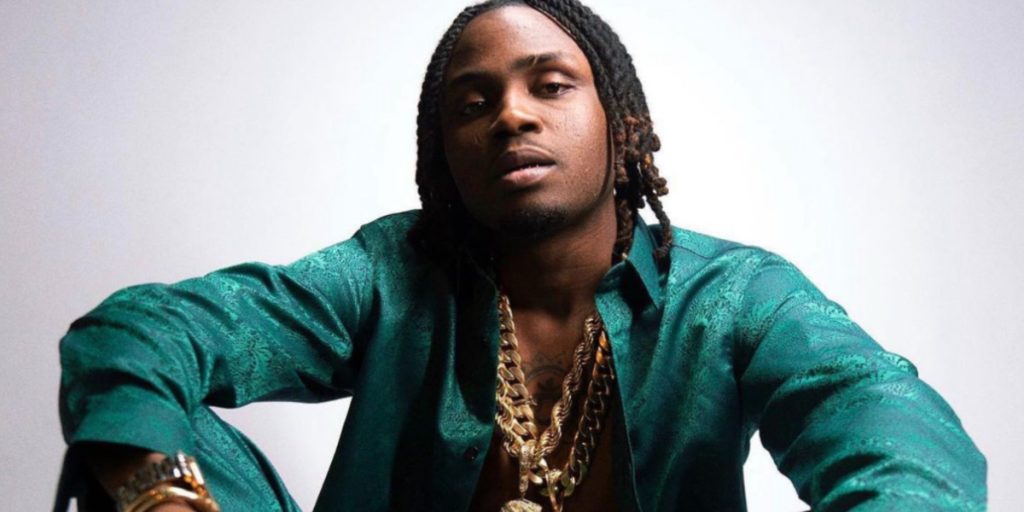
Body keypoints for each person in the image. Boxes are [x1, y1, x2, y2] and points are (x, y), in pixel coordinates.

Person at [55, 0, 986, 511]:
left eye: (551, 85)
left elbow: (884, 424)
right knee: (139, 439)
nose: (510, 115)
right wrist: (155, 491)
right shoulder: (389, 274)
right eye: (473, 104)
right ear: (444, 157)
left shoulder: (735, 297)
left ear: (622, 124)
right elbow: (143, 332)